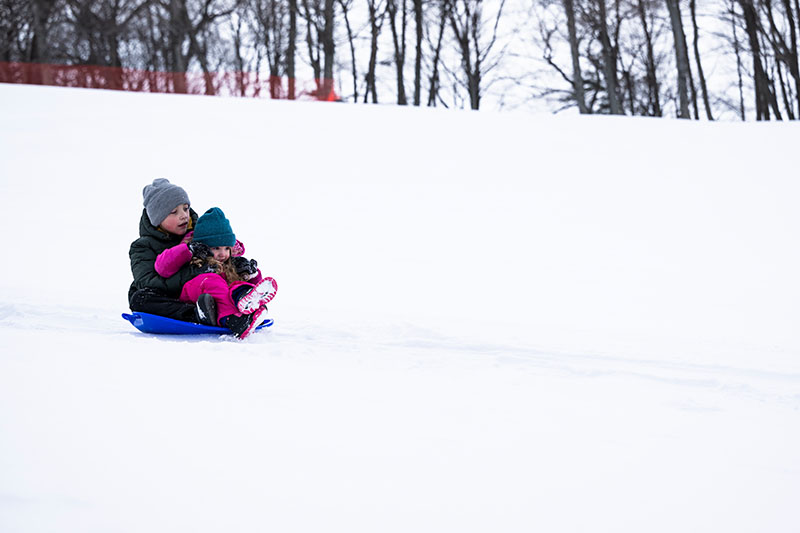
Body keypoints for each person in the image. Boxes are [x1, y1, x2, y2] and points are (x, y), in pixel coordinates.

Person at [154, 207, 277, 339]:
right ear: (204, 247)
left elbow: (245, 280)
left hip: (217, 301)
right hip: (192, 293)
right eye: (216, 248)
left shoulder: (230, 264)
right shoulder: (193, 258)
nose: (222, 254)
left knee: (236, 284)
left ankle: (247, 304)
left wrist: (252, 274)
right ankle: (233, 320)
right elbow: (162, 266)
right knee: (213, 280)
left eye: (226, 248)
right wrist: (187, 250)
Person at [128, 178, 217, 325]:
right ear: (157, 219)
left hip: (198, 292)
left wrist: (240, 266)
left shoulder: (198, 236)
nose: (183, 215)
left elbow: (223, 255)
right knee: (140, 299)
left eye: (186, 208)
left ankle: (240, 308)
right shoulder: (142, 247)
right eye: (173, 212)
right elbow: (147, 282)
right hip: (169, 299)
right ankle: (196, 314)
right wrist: (193, 272)